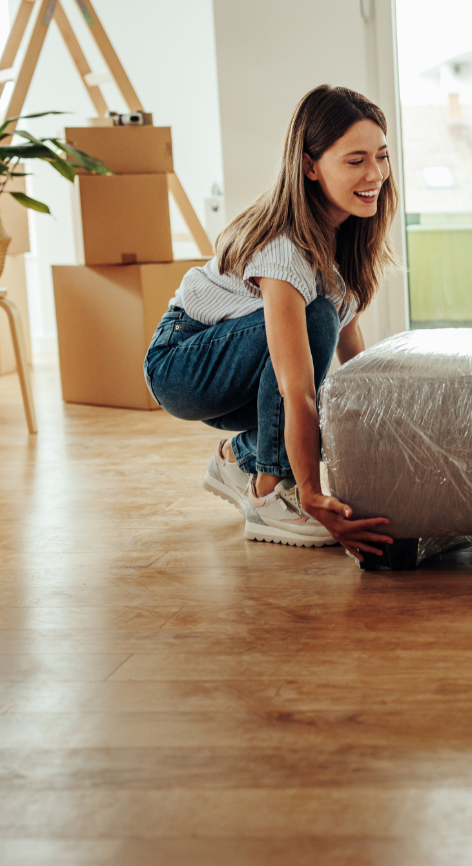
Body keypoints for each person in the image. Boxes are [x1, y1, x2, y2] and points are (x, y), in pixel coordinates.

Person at [144, 85, 394, 561]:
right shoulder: (285, 247)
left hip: (234, 368)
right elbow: (293, 388)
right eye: (356, 160)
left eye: (381, 156)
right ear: (309, 166)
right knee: (314, 327)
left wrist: (384, 420)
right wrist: (311, 490)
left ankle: (240, 457)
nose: (376, 174)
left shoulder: (344, 237)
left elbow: (353, 360)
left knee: (330, 391)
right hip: (182, 364)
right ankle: (266, 493)